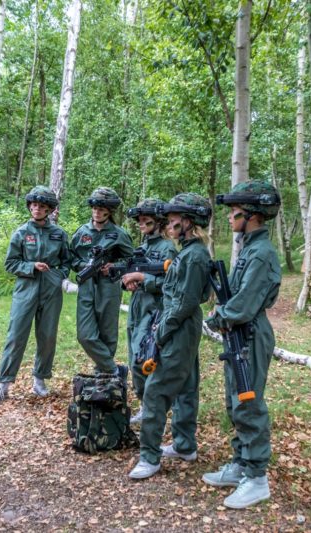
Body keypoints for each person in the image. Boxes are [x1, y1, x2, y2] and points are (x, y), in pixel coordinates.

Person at [203, 180, 282, 509]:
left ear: (251, 215)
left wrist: (218, 316)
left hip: (249, 332)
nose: (228, 217)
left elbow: (244, 305)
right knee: (236, 402)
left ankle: (257, 478)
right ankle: (241, 464)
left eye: (234, 212)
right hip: (238, 333)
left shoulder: (261, 253)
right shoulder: (249, 248)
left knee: (249, 403)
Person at [128, 193, 213, 480]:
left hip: (179, 326)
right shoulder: (190, 252)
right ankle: (184, 445)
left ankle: (149, 458)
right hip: (182, 325)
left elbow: (186, 301)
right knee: (186, 385)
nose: (170, 222)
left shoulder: (195, 256)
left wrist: (161, 333)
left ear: (188, 222)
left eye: (176, 218)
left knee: (156, 390)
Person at [0, 186, 71, 403]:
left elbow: (66, 262)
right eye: (34, 205)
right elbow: (10, 263)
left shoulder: (59, 234)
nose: (37, 209)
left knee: (47, 336)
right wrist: (31, 266)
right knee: (16, 335)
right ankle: (3, 384)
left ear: (49, 209)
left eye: (42, 206)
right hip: (26, 290)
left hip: (51, 291)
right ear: (29, 207)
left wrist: (58, 275)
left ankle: (40, 380)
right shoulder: (21, 233)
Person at [121, 199, 178, 425]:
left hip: (154, 311)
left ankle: (154, 406)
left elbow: (172, 283)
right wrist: (128, 283)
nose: (141, 224)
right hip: (136, 308)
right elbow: (128, 275)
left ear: (159, 222)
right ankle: (146, 405)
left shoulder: (168, 249)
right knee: (133, 356)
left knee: (142, 357)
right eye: (139, 220)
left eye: (147, 220)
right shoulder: (141, 247)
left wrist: (145, 280)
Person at [70, 187, 134, 375]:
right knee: (85, 335)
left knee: (108, 333)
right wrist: (85, 265)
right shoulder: (82, 232)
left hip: (109, 286)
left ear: (110, 211)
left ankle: (104, 373)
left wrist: (113, 266)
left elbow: (132, 260)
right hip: (87, 285)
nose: (97, 212)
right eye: (95, 208)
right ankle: (113, 369)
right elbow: (70, 258)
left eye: (102, 208)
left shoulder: (119, 234)